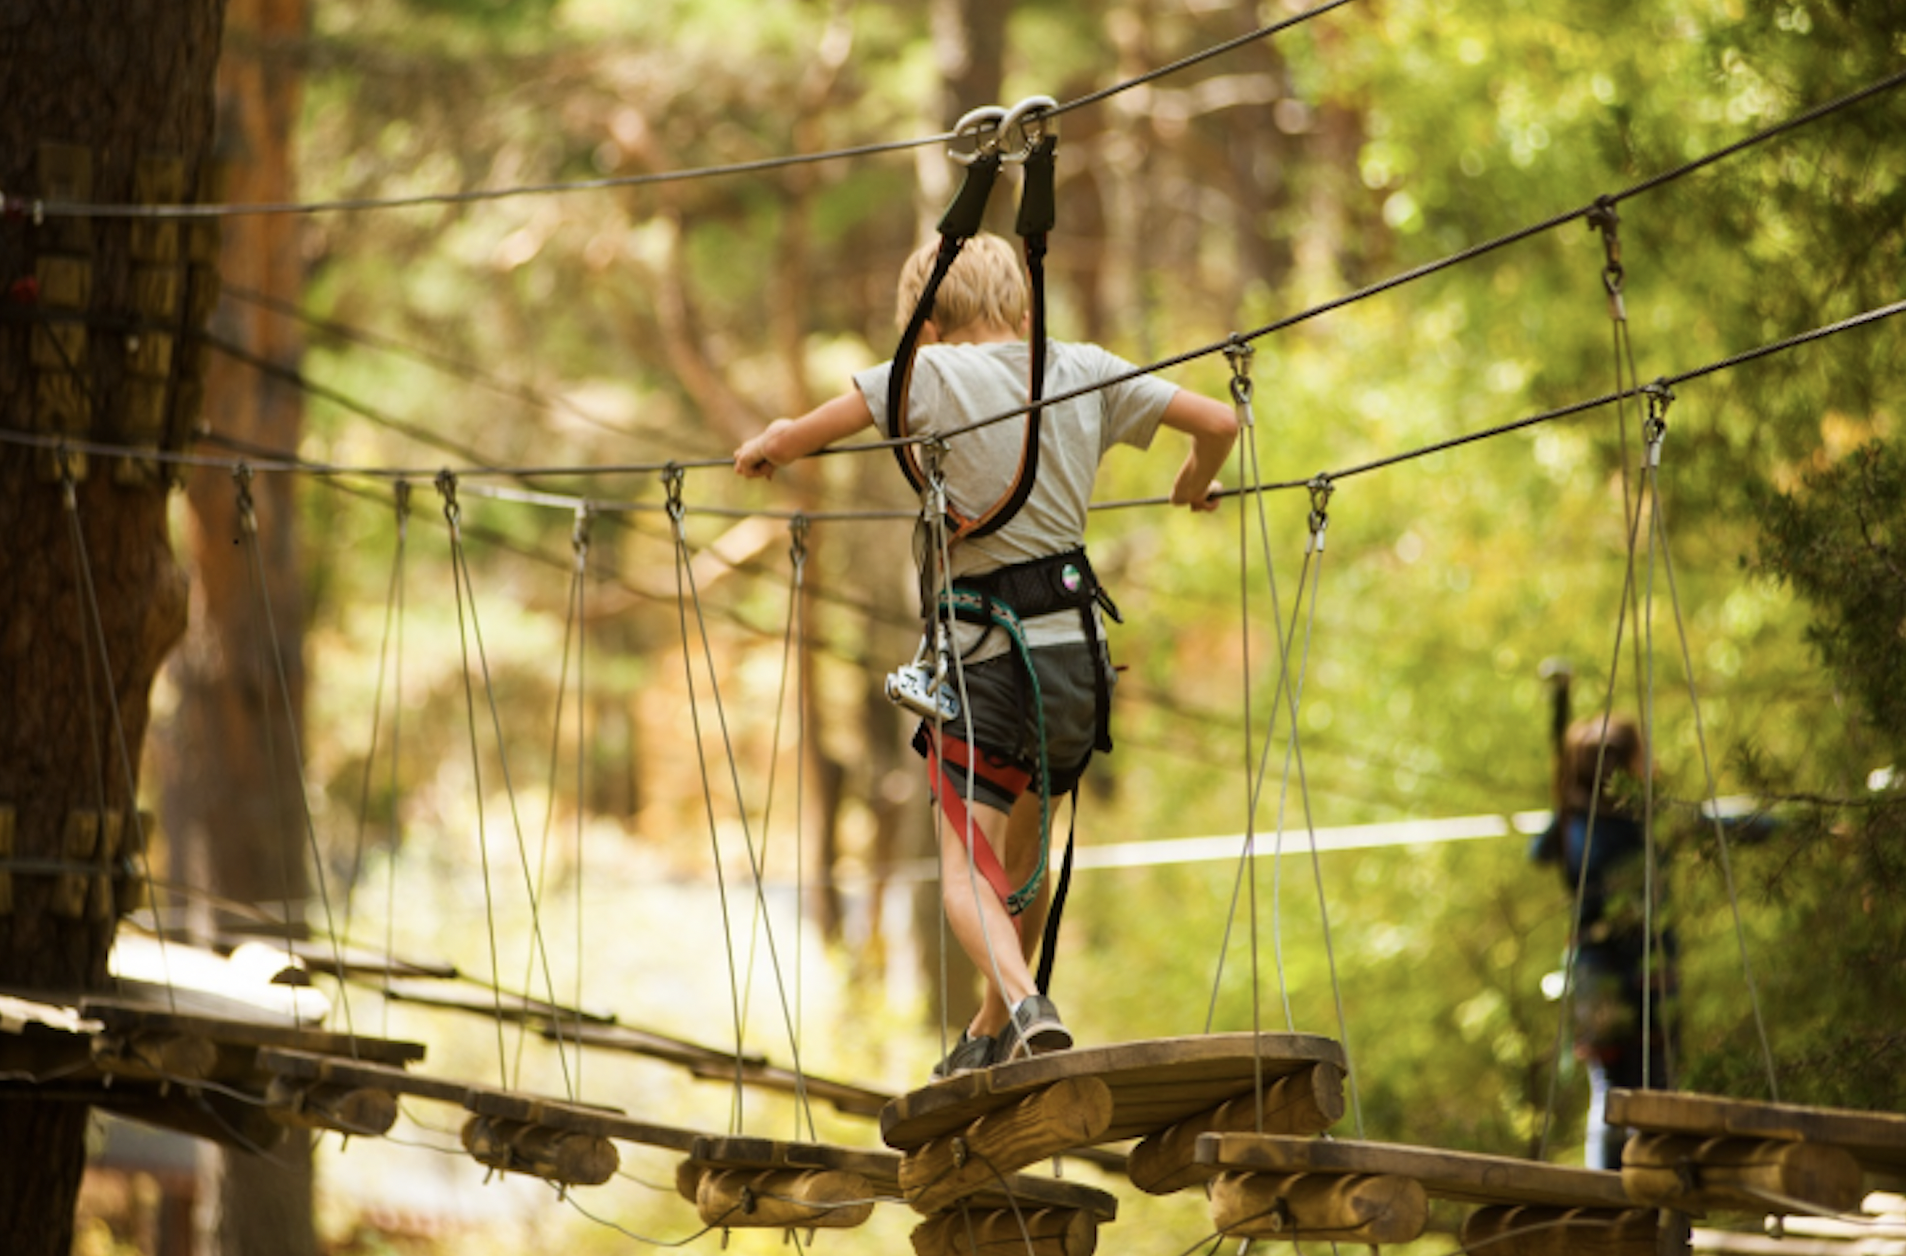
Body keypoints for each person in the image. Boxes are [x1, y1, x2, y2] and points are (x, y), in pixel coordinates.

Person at [735, 233, 1238, 1076]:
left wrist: (768, 448)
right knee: (1026, 850)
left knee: (968, 861)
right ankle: (989, 1027)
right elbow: (1219, 422)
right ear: (1024, 308)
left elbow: (804, 434)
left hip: (988, 658)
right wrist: (1193, 480)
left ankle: (1024, 999)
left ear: (924, 324)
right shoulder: (1082, 366)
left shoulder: (927, 374)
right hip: (1077, 659)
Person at [1532, 713, 1677, 1169]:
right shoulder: (1630, 822)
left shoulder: (1579, 825)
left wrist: (1566, 806)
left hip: (1616, 969)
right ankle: (1635, 1192)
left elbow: (1539, 853)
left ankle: (1630, 1192)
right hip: (1627, 970)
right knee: (1639, 1086)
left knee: (1625, 1086)